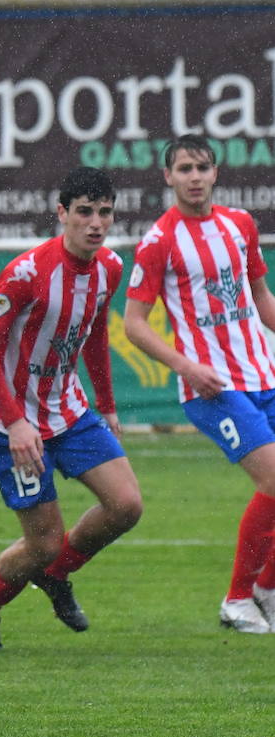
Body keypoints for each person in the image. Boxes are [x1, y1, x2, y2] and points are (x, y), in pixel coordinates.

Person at [0, 166, 143, 652]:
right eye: (84, 212)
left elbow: (97, 333)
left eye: (104, 213)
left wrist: (107, 403)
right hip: (14, 425)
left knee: (126, 506)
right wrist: (16, 423)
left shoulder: (110, 269)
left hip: (71, 413)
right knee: (42, 542)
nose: (95, 223)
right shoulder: (28, 272)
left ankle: (56, 576)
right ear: (62, 214)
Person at [123, 134, 275, 633]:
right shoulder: (159, 241)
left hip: (263, 376)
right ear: (168, 177)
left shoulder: (240, 226)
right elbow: (135, 324)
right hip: (211, 388)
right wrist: (186, 367)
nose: (193, 177)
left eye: (201, 167)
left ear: (215, 173)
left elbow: (260, 297)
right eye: (183, 168)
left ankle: (266, 590)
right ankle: (236, 601)